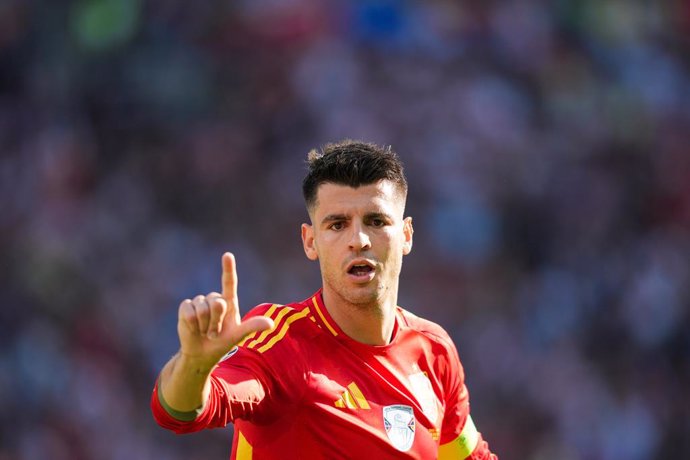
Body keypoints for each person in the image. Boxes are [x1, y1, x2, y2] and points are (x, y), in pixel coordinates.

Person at [151, 140, 498, 459]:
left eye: (376, 221)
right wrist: (194, 366)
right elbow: (180, 412)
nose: (359, 239)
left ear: (405, 235)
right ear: (310, 241)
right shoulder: (281, 343)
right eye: (337, 225)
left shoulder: (433, 352)